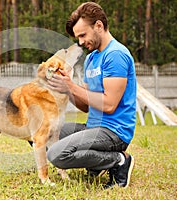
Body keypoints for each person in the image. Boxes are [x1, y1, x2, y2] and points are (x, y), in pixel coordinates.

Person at [46, 2, 137, 189]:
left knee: (56, 154)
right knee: (40, 133)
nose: (80, 42)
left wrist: (72, 85)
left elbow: (110, 105)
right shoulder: (91, 58)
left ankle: (118, 161)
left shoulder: (116, 55)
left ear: (98, 26)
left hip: (114, 132)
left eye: (82, 35)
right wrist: (68, 89)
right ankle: (95, 164)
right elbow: (86, 105)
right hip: (93, 127)